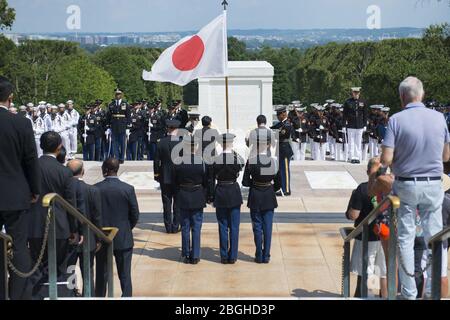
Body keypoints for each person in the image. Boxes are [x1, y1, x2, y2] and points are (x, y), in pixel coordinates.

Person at [380, 76, 450, 300]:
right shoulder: (439, 118)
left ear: (402, 97)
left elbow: (387, 158)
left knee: (406, 239)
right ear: (423, 94)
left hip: (407, 184)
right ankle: (432, 291)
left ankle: (409, 293)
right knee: (436, 237)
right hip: (433, 183)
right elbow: (446, 155)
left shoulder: (396, 120)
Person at [0, 76, 41, 300]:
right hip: (15, 195)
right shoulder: (21, 123)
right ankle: (17, 295)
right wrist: (35, 190)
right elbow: (30, 161)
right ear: (10, 97)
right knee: (19, 247)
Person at [28, 131, 78, 297]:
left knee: (36, 268)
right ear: (59, 147)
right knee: (57, 269)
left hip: (33, 226)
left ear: (41, 146)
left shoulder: (29, 168)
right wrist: (74, 229)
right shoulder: (64, 172)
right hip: (59, 227)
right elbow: (71, 204)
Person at [95, 158, 139, 297]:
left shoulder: (95, 188)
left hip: (102, 237)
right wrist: (125, 228)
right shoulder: (128, 189)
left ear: (105, 169)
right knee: (125, 275)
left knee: (102, 274)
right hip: (123, 237)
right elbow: (135, 214)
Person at [346, 158, 387, 298]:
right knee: (384, 273)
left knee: (366, 273)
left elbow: (353, 215)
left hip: (366, 237)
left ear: (368, 171)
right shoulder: (391, 187)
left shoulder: (362, 188)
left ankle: (366, 296)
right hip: (385, 237)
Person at [242, 129, 282, 263]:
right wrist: (270, 187)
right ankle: (266, 255)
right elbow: (279, 183)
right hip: (269, 195)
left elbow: (245, 182)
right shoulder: (274, 161)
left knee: (257, 227)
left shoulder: (251, 161)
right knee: (268, 227)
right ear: (269, 145)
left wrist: (256, 183)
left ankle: (258, 254)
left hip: (255, 195)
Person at [67, 160, 102, 295]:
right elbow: (97, 218)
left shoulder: (64, 190)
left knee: (69, 269)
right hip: (88, 237)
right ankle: (89, 295)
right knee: (87, 271)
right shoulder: (92, 190)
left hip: (70, 236)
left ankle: (70, 294)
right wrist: (98, 237)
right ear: (83, 171)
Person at [209, 133, 245, 264]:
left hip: (220, 192)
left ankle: (224, 255)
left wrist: (211, 196)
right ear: (232, 143)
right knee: (234, 227)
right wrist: (233, 152)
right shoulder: (235, 159)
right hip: (233, 192)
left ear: (220, 144)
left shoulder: (215, 160)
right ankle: (233, 256)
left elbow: (211, 179)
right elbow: (243, 164)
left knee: (222, 226)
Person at [173, 136, 208, 264]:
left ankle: (186, 254)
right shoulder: (202, 162)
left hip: (183, 196)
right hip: (197, 196)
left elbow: (175, 181)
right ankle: (195, 255)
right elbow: (205, 182)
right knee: (196, 228)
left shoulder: (178, 162)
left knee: (185, 227)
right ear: (197, 147)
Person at [154, 119, 183, 233]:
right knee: (177, 202)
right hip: (178, 177)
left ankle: (168, 226)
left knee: (166, 203)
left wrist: (156, 175)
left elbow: (156, 161)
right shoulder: (181, 142)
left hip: (164, 176)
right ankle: (176, 226)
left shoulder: (161, 142)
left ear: (168, 129)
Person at [271, 106, 294, 196]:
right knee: (280, 170)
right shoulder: (280, 124)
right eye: (277, 114)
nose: (277, 116)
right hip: (280, 149)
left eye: (279, 114)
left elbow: (281, 134)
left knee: (285, 171)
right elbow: (272, 128)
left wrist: (272, 133)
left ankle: (287, 190)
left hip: (285, 149)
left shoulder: (287, 124)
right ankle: (281, 188)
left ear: (284, 114)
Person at [343, 87, 368, 164]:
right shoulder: (348, 102)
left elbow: (365, 114)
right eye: (354, 92)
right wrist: (343, 125)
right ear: (352, 93)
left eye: (357, 93)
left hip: (360, 125)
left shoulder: (363, 101)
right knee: (351, 142)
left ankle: (357, 157)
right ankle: (351, 157)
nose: (356, 94)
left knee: (358, 142)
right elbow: (344, 115)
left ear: (359, 93)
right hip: (351, 125)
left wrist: (365, 125)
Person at [106, 89, 131, 164]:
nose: (117, 95)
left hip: (122, 126)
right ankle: (116, 157)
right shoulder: (111, 104)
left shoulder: (125, 104)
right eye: (116, 94)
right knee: (115, 143)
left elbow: (128, 116)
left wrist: (128, 127)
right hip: (114, 126)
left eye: (119, 94)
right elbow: (108, 116)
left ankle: (121, 158)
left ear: (121, 95)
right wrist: (108, 127)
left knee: (122, 143)